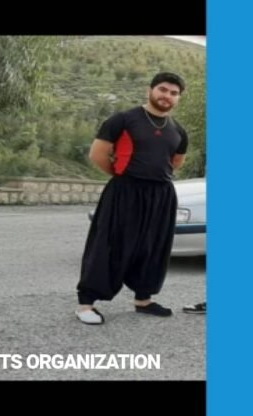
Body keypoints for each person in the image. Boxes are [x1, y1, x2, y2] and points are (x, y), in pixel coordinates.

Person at [75, 72, 189, 325]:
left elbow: (176, 162)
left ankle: (143, 300)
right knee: (109, 245)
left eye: (173, 93)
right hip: (125, 190)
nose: (167, 96)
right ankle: (86, 304)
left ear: (178, 98)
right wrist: (124, 177)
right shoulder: (123, 120)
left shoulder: (178, 130)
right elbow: (98, 154)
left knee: (152, 248)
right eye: (162, 90)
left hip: (161, 194)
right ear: (150, 90)